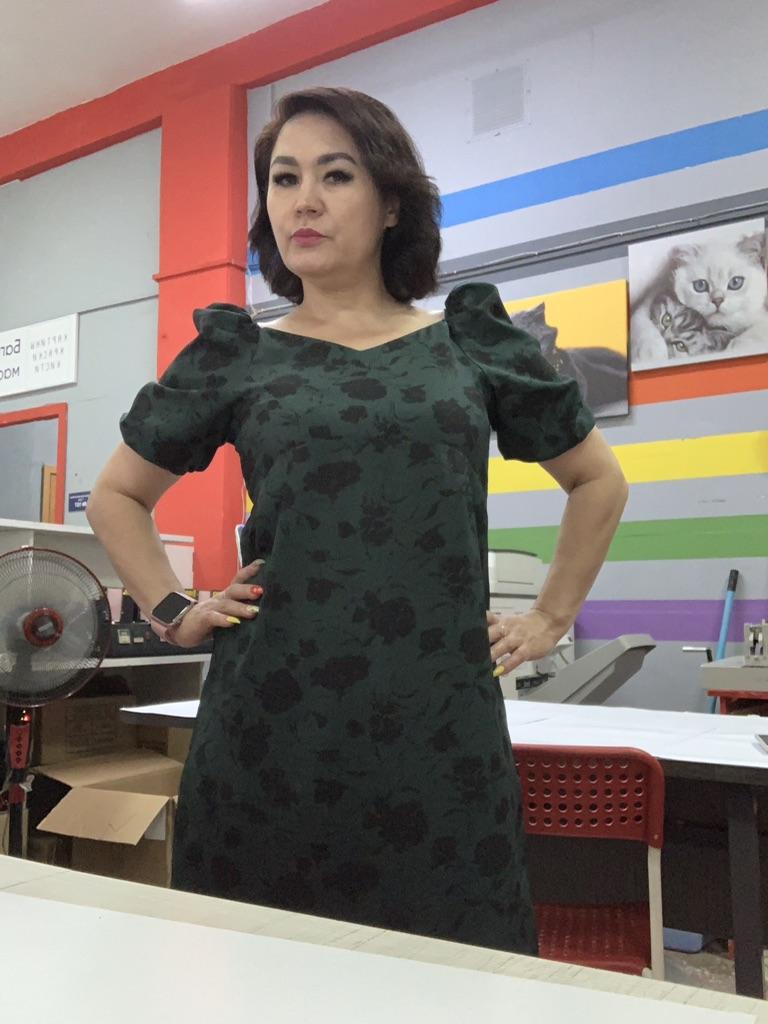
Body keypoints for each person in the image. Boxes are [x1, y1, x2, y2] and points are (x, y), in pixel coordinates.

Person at [87, 86, 627, 955]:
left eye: (335, 176)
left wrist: (550, 617)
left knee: (453, 974)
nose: (304, 200)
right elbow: (118, 495)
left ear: (392, 204)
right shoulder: (237, 355)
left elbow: (597, 479)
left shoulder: (469, 344)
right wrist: (173, 608)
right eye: (284, 178)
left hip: (437, 730)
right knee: (263, 971)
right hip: (272, 729)